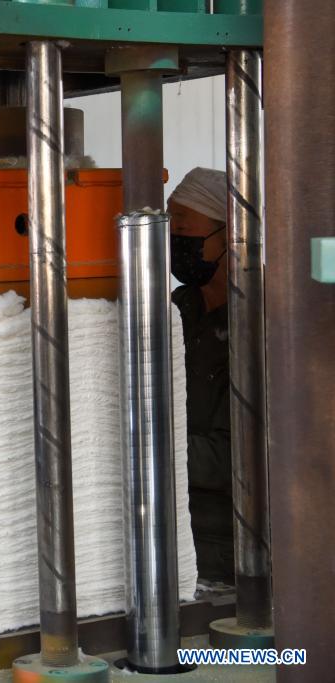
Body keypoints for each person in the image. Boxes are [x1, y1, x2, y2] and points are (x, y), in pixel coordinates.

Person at [168, 167, 233, 584]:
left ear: (229, 236)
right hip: (176, 531)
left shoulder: (265, 330)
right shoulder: (175, 309)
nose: (176, 242)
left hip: (229, 548)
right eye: (170, 229)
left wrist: (152, 452)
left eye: (185, 231)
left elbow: (233, 458)